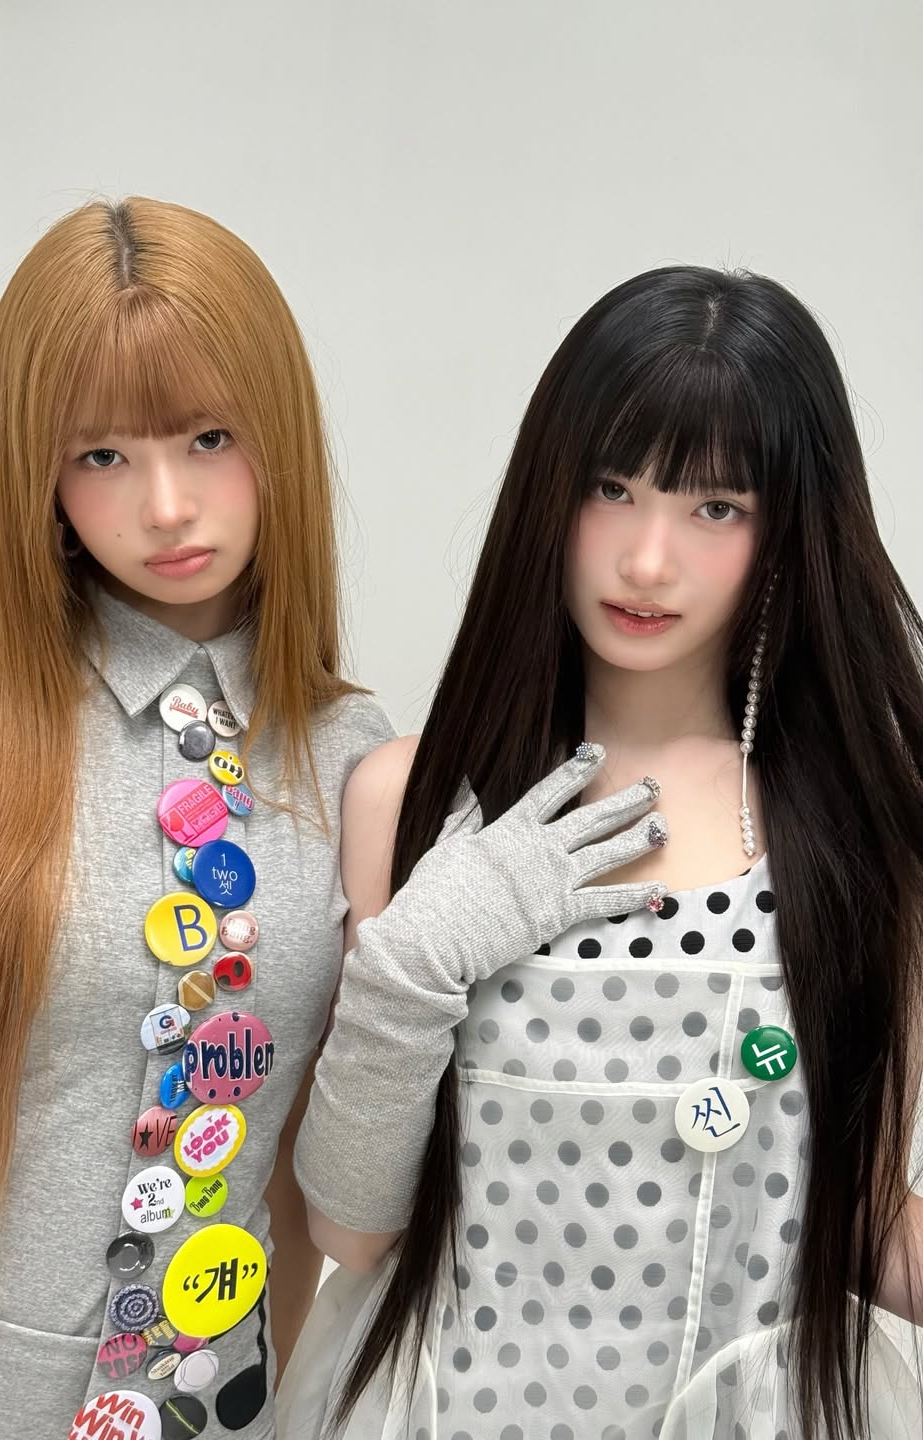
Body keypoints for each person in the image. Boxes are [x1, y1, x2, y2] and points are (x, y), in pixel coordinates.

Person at [283, 266, 923, 1439]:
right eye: (612, 489)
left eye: (715, 507)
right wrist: (417, 959)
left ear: (790, 529)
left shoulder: (862, 829)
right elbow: (352, 1231)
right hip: (449, 1410)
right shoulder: (413, 800)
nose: (647, 560)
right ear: (550, 493)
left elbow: (865, 1219)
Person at [0, 197, 397, 1440]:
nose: (166, 506)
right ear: (38, 474)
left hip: (207, 1401)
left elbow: (307, 1179)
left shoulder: (356, 759)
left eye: (210, 438)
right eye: (100, 455)